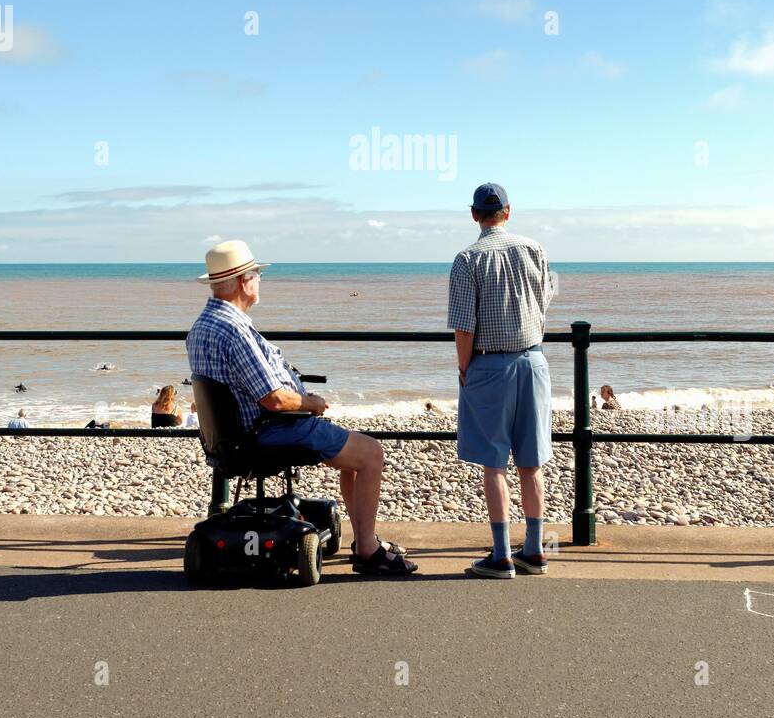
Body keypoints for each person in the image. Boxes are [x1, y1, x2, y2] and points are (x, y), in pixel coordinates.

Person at [186, 240, 416, 577]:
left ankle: (365, 538)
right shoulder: (235, 330)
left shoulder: (201, 327)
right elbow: (274, 399)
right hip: (270, 430)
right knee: (371, 454)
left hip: (235, 437)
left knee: (351, 460)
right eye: (256, 274)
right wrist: (312, 404)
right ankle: (367, 550)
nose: (260, 280)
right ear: (241, 282)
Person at [448, 184, 557, 579]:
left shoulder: (467, 259)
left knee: (494, 464)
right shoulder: (534, 249)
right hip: (533, 360)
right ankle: (534, 549)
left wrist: (464, 368)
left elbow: (464, 325)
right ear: (508, 212)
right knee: (531, 463)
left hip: (489, 366)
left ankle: (500, 555)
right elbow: (544, 301)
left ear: (474, 214)